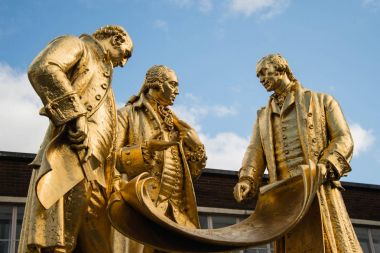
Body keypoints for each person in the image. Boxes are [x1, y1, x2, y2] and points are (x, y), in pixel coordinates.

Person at [18, 25, 133, 253]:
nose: (123, 63)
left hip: (99, 176)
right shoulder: (76, 45)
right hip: (72, 159)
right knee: (61, 240)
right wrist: (74, 115)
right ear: (116, 38)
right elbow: (43, 68)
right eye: (126, 54)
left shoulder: (105, 77)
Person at [233, 54, 362, 253]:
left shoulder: (322, 101)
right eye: (257, 76)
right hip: (284, 197)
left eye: (263, 72)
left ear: (280, 69)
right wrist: (247, 179)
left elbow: (343, 138)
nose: (260, 79)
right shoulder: (262, 117)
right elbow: (255, 151)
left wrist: (325, 166)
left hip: (317, 188)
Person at [116, 65, 207, 252]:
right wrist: (145, 149)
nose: (178, 91)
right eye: (173, 84)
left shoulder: (178, 126)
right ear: (156, 84)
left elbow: (193, 175)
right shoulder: (126, 115)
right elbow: (110, 158)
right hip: (143, 208)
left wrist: (197, 147)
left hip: (177, 213)